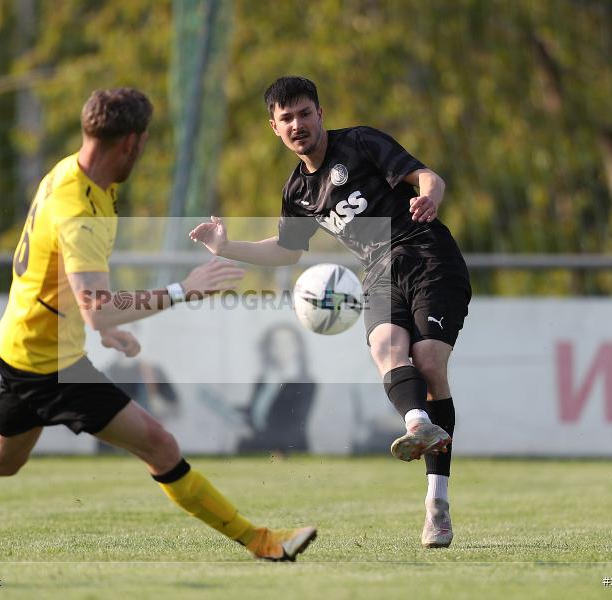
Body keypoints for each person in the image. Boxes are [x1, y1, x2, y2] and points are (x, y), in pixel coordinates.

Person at [0, 88, 316, 562]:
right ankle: (260, 541)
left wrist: (104, 330)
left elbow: (78, 289)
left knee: (1, 460)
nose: (142, 152)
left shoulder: (72, 172)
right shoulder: (79, 212)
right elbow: (99, 305)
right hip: (48, 364)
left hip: (23, 342)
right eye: (143, 143)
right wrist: (183, 289)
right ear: (129, 143)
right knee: (160, 445)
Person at [189, 76, 471, 548]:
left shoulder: (359, 143)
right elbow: (285, 251)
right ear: (274, 128)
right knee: (385, 346)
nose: (297, 124)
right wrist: (227, 246)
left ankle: (436, 500)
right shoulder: (297, 191)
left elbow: (429, 177)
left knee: (426, 362)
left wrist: (430, 198)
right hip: (377, 270)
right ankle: (418, 425)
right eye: (286, 119)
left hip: (427, 254)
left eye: (304, 113)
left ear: (320, 114)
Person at [238, 323, 316, 454]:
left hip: (287, 452)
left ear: (298, 348)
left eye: (287, 343)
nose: (281, 348)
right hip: (256, 449)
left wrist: (257, 437)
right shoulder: (263, 380)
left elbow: (295, 425)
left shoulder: (305, 383)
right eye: (275, 344)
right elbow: (258, 413)